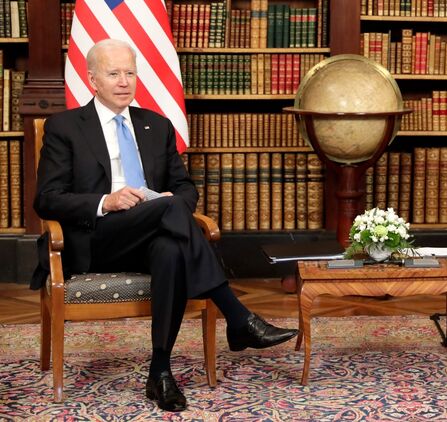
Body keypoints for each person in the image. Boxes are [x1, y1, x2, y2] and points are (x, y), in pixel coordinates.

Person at [31, 39, 298, 412]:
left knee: (171, 247)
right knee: (169, 211)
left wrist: (168, 205)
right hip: (96, 239)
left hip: (152, 236)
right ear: (92, 79)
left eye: (130, 72)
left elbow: (185, 189)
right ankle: (237, 317)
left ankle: (160, 371)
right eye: (113, 73)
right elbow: (47, 199)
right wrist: (106, 201)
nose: (124, 81)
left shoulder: (156, 125)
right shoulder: (65, 127)